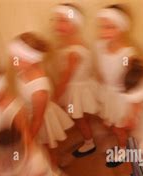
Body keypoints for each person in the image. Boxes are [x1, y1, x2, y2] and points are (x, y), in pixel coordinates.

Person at [9, 32, 74, 167]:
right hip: (29, 113)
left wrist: (30, 138)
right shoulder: (22, 70)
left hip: (42, 119)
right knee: (42, 149)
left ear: (32, 60)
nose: (12, 60)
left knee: (47, 147)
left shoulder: (39, 89)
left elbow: (38, 119)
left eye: (18, 58)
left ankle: (54, 170)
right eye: (13, 56)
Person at [52, 4, 99, 158]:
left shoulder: (74, 51)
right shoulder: (69, 45)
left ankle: (89, 142)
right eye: (57, 20)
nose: (58, 25)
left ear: (75, 24)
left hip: (76, 89)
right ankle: (88, 138)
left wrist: (56, 96)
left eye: (63, 21)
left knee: (78, 117)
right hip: (77, 88)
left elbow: (67, 77)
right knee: (79, 117)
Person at [95, 5, 137, 167]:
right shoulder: (100, 46)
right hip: (108, 94)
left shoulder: (128, 55)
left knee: (120, 127)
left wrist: (132, 111)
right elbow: (102, 70)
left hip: (122, 97)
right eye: (102, 26)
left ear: (121, 28)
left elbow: (134, 84)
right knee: (112, 123)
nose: (104, 31)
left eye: (110, 27)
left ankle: (124, 149)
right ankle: (122, 144)